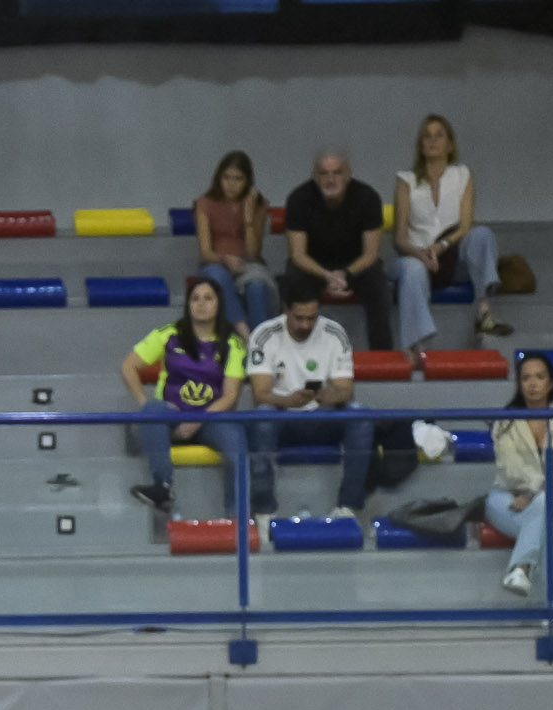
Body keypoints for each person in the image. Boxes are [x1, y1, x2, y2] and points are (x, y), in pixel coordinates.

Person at [246, 270, 373, 519]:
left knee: (361, 415)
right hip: (282, 419)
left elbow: (346, 390)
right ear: (286, 309)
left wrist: (327, 396)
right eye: (299, 318)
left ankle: (348, 507)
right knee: (262, 417)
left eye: (311, 318)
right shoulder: (264, 334)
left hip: (321, 417)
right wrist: (289, 400)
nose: (305, 325)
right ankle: (264, 511)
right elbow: (260, 395)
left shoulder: (334, 332)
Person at [121, 273, 247, 517]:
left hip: (211, 419)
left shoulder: (233, 343)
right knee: (153, 410)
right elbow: (128, 366)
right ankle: (162, 487)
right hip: (172, 416)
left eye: (208, 298)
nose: (201, 304)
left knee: (236, 440)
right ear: (188, 304)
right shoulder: (169, 333)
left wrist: (197, 420)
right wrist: (146, 404)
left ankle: (237, 516)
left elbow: (230, 396)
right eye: (195, 298)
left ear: (219, 304)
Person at [390, 115, 507, 351]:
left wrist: (440, 246)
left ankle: (483, 311)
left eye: (439, 135)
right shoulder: (406, 180)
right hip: (417, 256)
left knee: (482, 234)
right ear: (420, 145)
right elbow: (400, 238)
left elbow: (465, 226)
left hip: (452, 256)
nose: (432, 140)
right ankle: (416, 345)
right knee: (412, 270)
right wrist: (421, 254)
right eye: (427, 136)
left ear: (450, 144)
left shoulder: (462, 175)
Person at [489, 351, 553, 606]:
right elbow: (510, 471)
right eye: (526, 378)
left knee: (543, 504)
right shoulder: (505, 422)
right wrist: (544, 488)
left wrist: (533, 494)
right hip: (506, 498)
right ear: (519, 384)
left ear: (551, 383)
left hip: (552, 503)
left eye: (539, 377)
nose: (533, 383)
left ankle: (522, 568)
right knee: (542, 519)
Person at [285, 149, 394, 354]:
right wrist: (327, 275)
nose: (330, 179)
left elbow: (371, 254)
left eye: (336, 172)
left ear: (348, 174)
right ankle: (297, 353)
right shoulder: (299, 199)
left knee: (378, 281)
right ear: (314, 176)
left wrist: (345, 274)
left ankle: (381, 355)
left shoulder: (368, 197)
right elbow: (298, 255)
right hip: (314, 267)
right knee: (294, 276)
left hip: (356, 267)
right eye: (324, 173)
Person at [193, 150, 276, 338]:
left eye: (238, 179)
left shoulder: (257, 204)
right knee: (219, 276)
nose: (231, 184)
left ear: (247, 181)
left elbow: (254, 253)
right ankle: (246, 334)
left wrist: (247, 216)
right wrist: (225, 259)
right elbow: (205, 252)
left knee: (257, 285)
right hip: (214, 263)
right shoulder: (204, 204)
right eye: (226, 178)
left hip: (248, 265)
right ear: (218, 178)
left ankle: (261, 339)